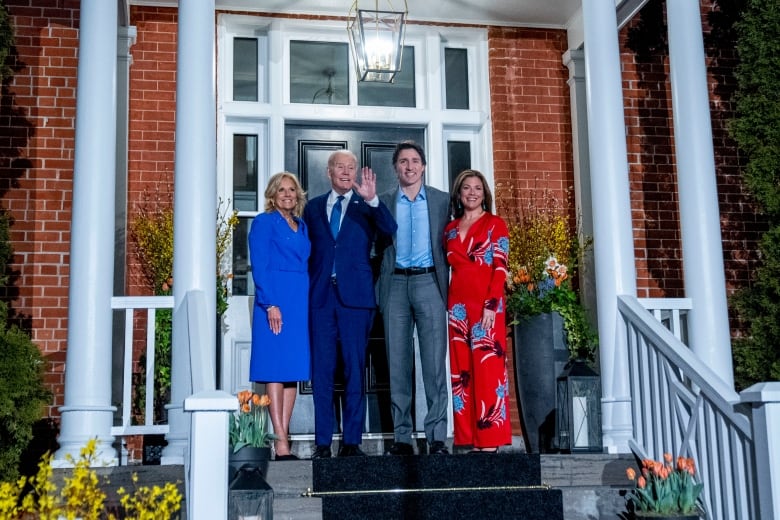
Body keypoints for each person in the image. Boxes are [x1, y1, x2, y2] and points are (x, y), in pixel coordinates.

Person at [303, 150, 397, 458]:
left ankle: (352, 442)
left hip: (355, 301)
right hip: (320, 299)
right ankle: (321, 443)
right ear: (328, 172)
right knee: (322, 371)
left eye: (351, 167)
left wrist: (373, 200)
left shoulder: (366, 205)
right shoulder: (313, 207)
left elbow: (389, 230)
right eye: (340, 167)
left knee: (355, 368)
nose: (346, 172)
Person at [376, 140, 451, 456]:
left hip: (429, 283)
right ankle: (402, 437)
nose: (409, 166)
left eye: (414, 161)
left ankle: (436, 437)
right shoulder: (382, 202)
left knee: (434, 363)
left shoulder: (442, 201)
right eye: (403, 161)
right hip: (395, 284)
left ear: (423, 166)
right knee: (398, 363)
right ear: (396, 167)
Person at [444, 169, 512, 452]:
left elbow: (501, 267)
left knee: (488, 372)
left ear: (485, 194)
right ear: (459, 194)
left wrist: (492, 305)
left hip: (487, 307)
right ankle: (468, 438)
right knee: (462, 375)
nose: (472, 193)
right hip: (458, 308)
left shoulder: (496, 224)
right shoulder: (449, 229)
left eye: (478, 189)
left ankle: (489, 440)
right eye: (467, 188)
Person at [248, 172, 311, 461]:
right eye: (281, 190)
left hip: (299, 299)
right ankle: (281, 441)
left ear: (298, 195)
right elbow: (259, 265)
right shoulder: (263, 223)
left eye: (292, 190)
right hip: (274, 300)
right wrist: (270, 303)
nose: (287, 194)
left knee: (293, 372)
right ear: (272, 195)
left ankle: (282, 436)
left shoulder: (302, 225)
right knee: (275, 368)